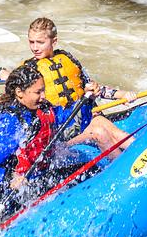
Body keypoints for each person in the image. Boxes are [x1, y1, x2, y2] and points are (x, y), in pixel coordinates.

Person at [0, 64, 94, 194]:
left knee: (92, 169)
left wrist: (87, 100)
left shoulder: (42, 108)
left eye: (43, 90)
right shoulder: (8, 122)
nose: (43, 96)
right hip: (17, 189)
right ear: (19, 93)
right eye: (38, 92)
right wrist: (9, 179)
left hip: (39, 173)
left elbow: (69, 121)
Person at [20, 17, 134, 155]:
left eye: (40, 42)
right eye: (31, 42)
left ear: (54, 41)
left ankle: (139, 154)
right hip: (62, 129)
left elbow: (91, 85)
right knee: (100, 132)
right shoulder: (29, 70)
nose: (35, 47)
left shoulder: (67, 58)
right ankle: (124, 164)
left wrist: (122, 95)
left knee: (117, 133)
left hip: (85, 116)